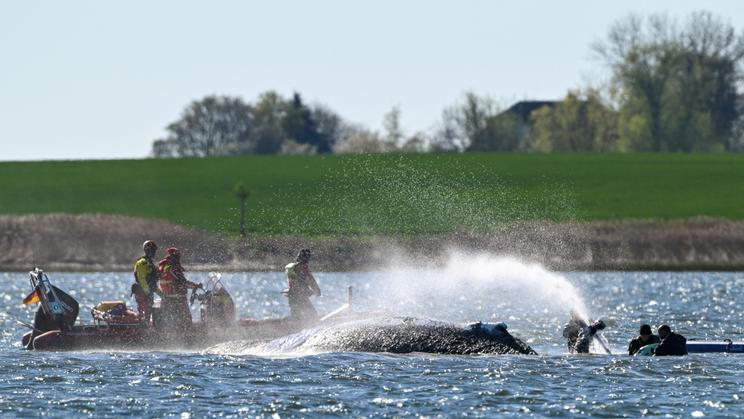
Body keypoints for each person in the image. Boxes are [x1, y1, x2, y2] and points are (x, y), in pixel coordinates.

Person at [158, 247, 201, 333]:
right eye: (177, 256)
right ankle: (188, 338)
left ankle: (174, 336)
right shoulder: (172, 268)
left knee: (173, 321)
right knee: (186, 320)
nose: (179, 258)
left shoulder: (163, 266)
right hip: (177, 299)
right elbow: (182, 282)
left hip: (167, 298)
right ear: (174, 256)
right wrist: (196, 286)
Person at [284, 249, 321, 322]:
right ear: (306, 258)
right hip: (301, 297)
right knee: (312, 315)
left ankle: (292, 329)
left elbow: (294, 283)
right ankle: (313, 325)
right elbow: (311, 280)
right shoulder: (304, 267)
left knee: (296, 316)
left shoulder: (292, 267)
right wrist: (317, 291)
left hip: (292, 296)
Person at [131, 240, 160, 323]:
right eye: (151, 250)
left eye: (153, 250)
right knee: (144, 310)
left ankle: (150, 326)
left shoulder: (151, 263)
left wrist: (161, 293)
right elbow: (141, 279)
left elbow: (154, 280)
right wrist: (147, 291)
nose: (153, 252)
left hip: (148, 290)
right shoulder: (142, 262)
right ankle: (142, 328)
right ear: (146, 251)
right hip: (142, 290)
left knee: (149, 309)